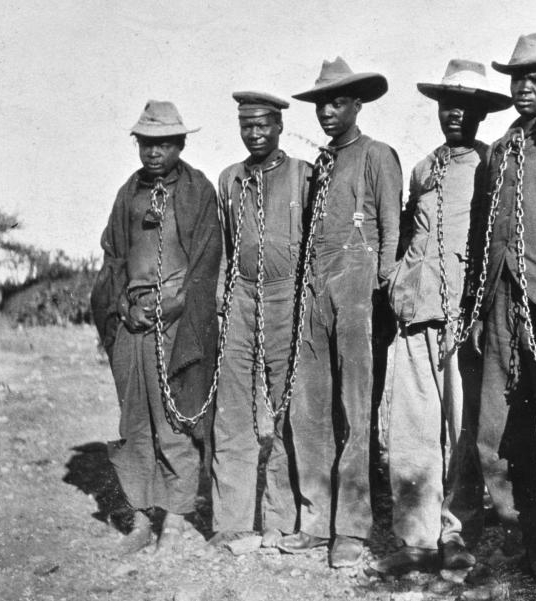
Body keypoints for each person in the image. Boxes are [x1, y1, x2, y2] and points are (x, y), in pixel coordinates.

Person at [451, 32, 536, 571]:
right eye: (517, 79)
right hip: (500, 303)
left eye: (535, 79)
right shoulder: (499, 149)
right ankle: (519, 529)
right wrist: (475, 307)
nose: (524, 88)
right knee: (498, 430)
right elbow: (481, 231)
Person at [369, 59, 512, 576]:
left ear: (480, 113)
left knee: (461, 427)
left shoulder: (492, 164)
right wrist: (396, 284)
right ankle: (416, 538)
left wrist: (478, 307)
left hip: (462, 313)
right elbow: (409, 231)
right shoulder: (423, 167)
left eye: (467, 106)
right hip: (415, 311)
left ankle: (457, 533)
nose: (455, 114)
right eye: (447, 104)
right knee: (412, 428)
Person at [276, 57, 402, 568]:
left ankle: (351, 528)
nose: (327, 112)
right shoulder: (322, 163)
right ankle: (313, 518)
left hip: (359, 287)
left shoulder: (377, 155)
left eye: (338, 102)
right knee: (309, 410)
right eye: (322, 104)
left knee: (355, 411)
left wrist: (382, 291)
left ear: (357, 104)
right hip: (315, 288)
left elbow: (391, 231)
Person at [91, 100, 221, 555]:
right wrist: (126, 309)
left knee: (175, 421)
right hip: (134, 323)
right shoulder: (129, 192)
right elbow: (113, 258)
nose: (153, 152)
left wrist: (173, 306)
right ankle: (142, 519)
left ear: (180, 144)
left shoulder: (198, 190)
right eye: (146, 142)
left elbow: (207, 262)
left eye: (163, 143)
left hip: (178, 324)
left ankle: (178, 521)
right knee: (135, 422)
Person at [210, 92, 313, 550]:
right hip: (239, 297)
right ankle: (230, 520)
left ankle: (280, 519)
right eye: (246, 125)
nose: (254, 133)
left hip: (287, 296)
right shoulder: (228, 179)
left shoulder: (303, 176)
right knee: (233, 407)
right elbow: (227, 245)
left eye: (262, 125)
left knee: (286, 407)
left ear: (279, 127)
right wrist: (224, 298)